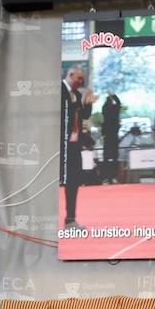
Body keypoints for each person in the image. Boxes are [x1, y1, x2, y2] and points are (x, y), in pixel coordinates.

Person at [60, 65, 96, 229]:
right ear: (70, 74)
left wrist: (87, 104)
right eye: (79, 78)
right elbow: (65, 112)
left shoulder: (77, 94)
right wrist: (79, 104)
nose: (81, 82)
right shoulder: (59, 90)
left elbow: (84, 115)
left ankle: (70, 219)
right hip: (59, 145)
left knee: (74, 181)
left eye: (82, 79)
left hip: (74, 145)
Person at [101, 92, 121, 183]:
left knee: (106, 157)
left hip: (107, 136)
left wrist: (109, 97)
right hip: (114, 136)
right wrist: (114, 96)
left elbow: (105, 105)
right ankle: (114, 176)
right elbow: (119, 103)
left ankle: (106, 176)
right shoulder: (115, 109)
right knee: (114, 157)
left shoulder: (105, 110)